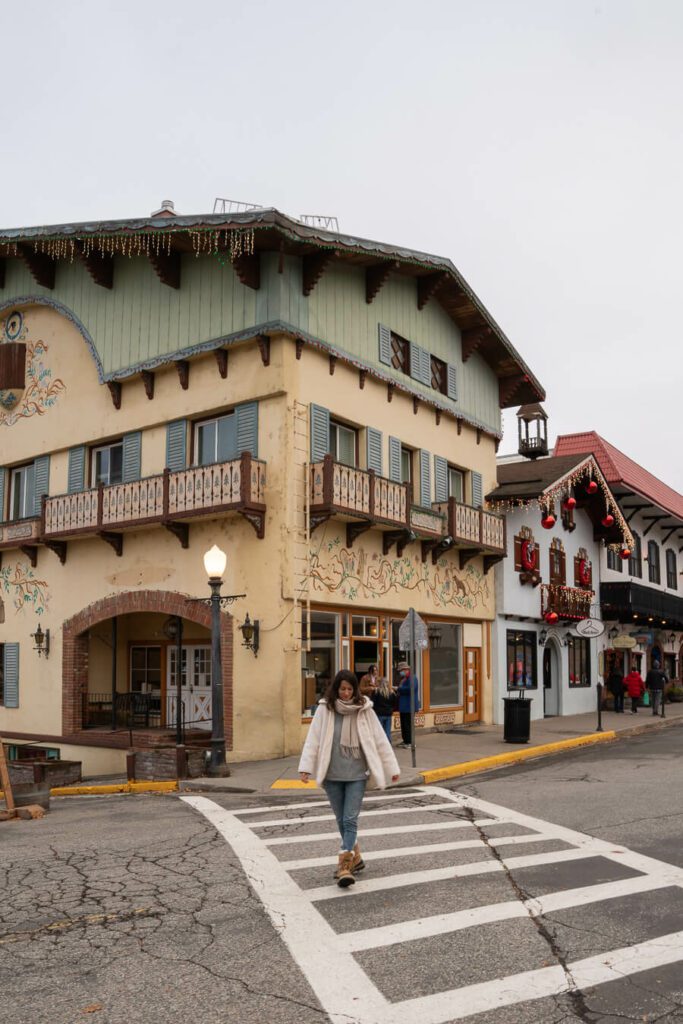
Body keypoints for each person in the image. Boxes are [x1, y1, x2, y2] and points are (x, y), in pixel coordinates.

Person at [298, 669, 400, 888]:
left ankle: (344, 865)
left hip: (357, 774)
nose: (345, 693)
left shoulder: (364, 710)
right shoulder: (325, 709)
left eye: (349, 689)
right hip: (332, 774)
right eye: (342, 689)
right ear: (336, 689)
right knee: (340, 819)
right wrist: (305, 767)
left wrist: (391, 767)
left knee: (350, 819)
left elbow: (380, 740)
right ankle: (357, 857)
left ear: (355, 690)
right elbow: (313, 739)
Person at [395, 660, 420, 748]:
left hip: (409, 706)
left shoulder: (412, 678)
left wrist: (398, 689)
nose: (400, 672)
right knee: (404, 724)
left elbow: (410, 689)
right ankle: (405, 741)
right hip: (404, 706)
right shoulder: (405, 679)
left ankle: (410, 742)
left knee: (408, 725)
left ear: (406, 669)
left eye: (401, 671)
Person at [371, 676, 396, 742]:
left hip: (379, 714)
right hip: (388, 714)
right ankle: (388, 746)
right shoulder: (391, 692)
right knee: (387, 731)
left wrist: (375, 710)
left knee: (379, 731)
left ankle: (380, 745)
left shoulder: (377, 692)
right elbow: (394, 703)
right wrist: (391, 709)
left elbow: (373, 702)